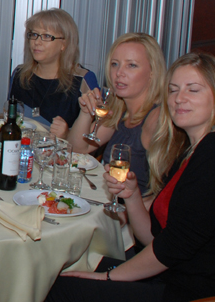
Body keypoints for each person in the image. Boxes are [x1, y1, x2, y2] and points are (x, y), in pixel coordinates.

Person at [40, 52, 215, 302]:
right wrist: (132, 196)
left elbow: (171, 249)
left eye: (193, 89)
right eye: (173, 89)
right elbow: (154, 238)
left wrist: (109, 279)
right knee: (79, 270)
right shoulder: (195, 149)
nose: (179, 98)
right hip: (180, 289)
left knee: (62, 295)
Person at [67, 32, 165, 195]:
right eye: (114, 64)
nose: (119, 73)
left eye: (131, 65)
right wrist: (85, 113)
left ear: (153, 72)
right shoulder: (120, 110)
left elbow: (162, 192)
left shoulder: (156, 118)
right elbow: (77, 149)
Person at [0, 9, 97, 139]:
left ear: (64, 44)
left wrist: (67, 135)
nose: (37, 42)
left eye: (46, 36)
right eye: (34, 34)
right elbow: (16, 122)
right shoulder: (19, 74)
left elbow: (93, 138)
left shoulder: (83, 79)